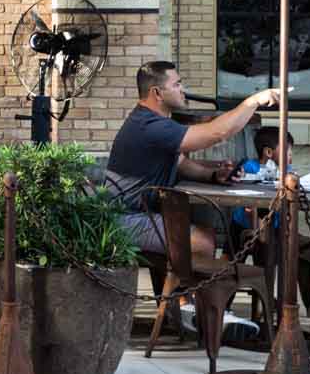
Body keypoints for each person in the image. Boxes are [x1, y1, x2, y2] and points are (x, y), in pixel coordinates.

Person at [106, 60, 281, 256]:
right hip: (124, 220)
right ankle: (187, 288)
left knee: (205, 234)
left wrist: (214, 175)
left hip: (140, 214)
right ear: (157, 93)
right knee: (203, 242)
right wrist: (254, 100)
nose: (183, 89)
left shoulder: (150, 121)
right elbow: (218, 133)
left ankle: (177, 287)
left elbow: (181, 164)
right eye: (176, 84)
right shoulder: (149, 125)